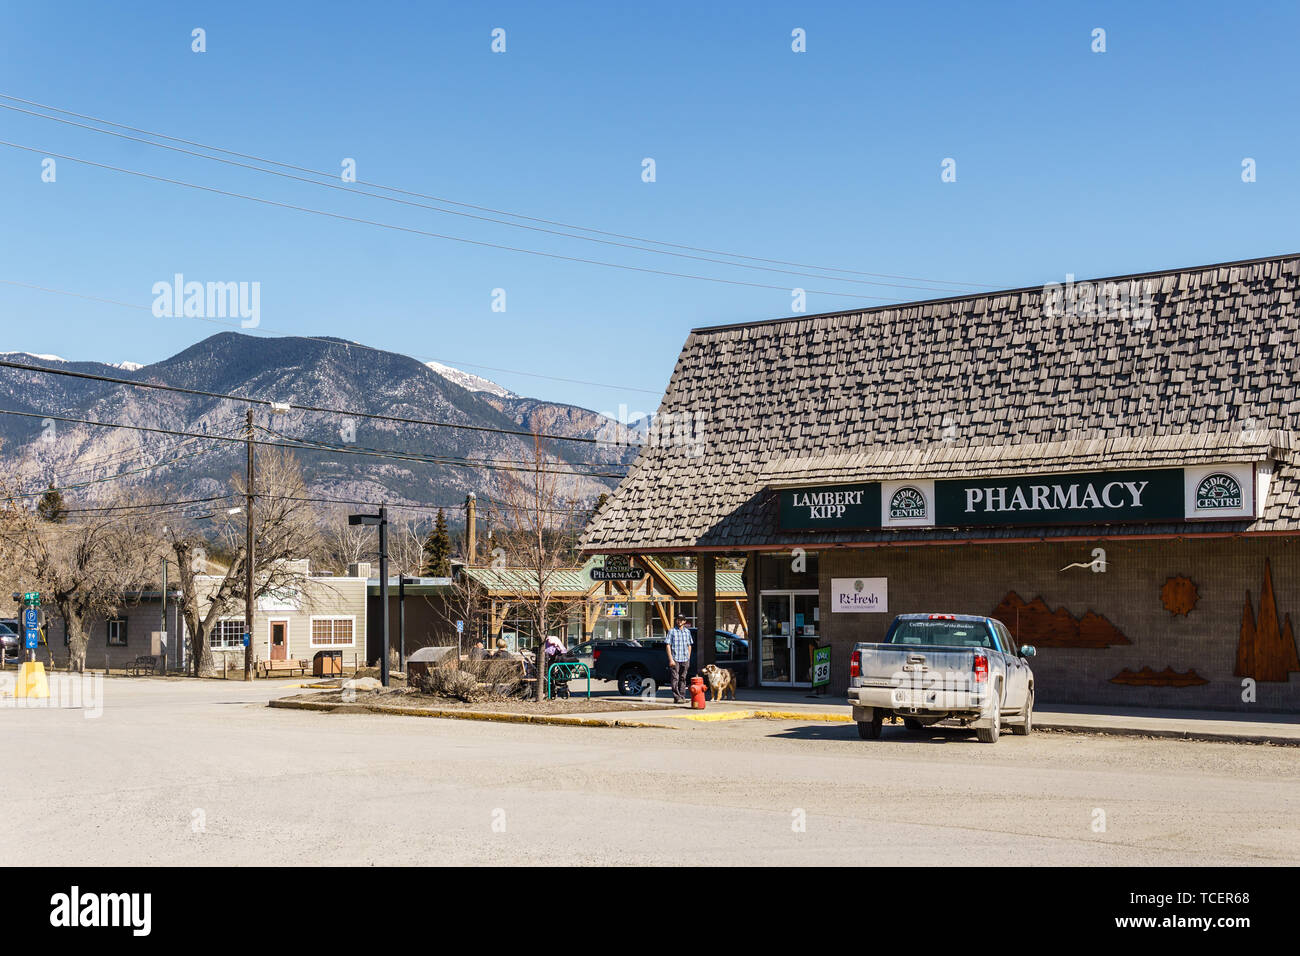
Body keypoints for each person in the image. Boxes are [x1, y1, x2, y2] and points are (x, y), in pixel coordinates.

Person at [665, 615, 693, 703]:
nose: (679, 621)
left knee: (683, 678)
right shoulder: (672, 631)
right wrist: (670, 659)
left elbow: (689, 645)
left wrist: (688, 657)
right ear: (676, 621)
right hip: (675, 659)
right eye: (678, 620)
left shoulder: (687, 632)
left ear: (684, 621)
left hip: (685, 659)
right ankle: (676, 697)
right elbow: (668, 645)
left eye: (681, 620)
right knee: (675, 678)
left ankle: (682, 696)